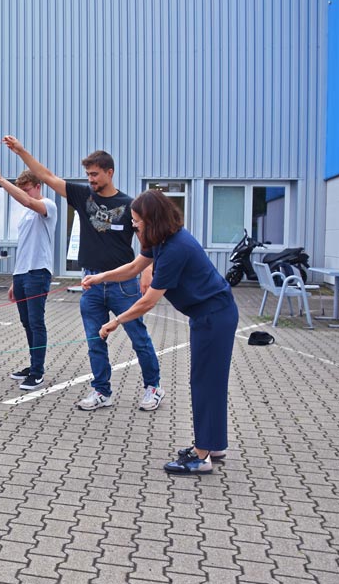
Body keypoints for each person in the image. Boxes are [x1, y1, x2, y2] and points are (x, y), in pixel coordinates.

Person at [4, 136, 163, 412]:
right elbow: (46, 175)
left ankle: (153, 387)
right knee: (94, 341)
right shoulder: (82, 197)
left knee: (138, 337)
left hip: (122, 284)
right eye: (88, 174)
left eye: (95, 174)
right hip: (90, 283)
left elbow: (146, 238)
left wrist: (147, 269)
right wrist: (21, 152)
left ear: (109, 172)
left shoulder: (129, 205)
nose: (90, 179)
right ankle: (102, 391)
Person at [83, 190, 238, 474]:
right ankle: (213, 445)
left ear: (152, 220)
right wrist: (100, 277)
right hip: (207, 316)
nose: (133, 225)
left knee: (205, 383)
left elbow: (148, 301)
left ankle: (201, 456)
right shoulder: (161, 241)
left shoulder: (176, 248)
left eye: (137, 221)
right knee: (209, 381)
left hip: (215, 318)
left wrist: (116, 321)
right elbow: (133, 268)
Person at [0, 163, 57, 391]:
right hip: (23, 273)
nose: (24, 194)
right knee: (27, 323)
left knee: (36, 322)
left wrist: (0, 180)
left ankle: (38, 372)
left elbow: (28, 201)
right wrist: (15, 279)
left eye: (27, 189)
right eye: (21, 189)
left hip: (38, 272)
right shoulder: (26, 214)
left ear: (37, 187)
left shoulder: (47, 205)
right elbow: (24, 247)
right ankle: (33, 365)